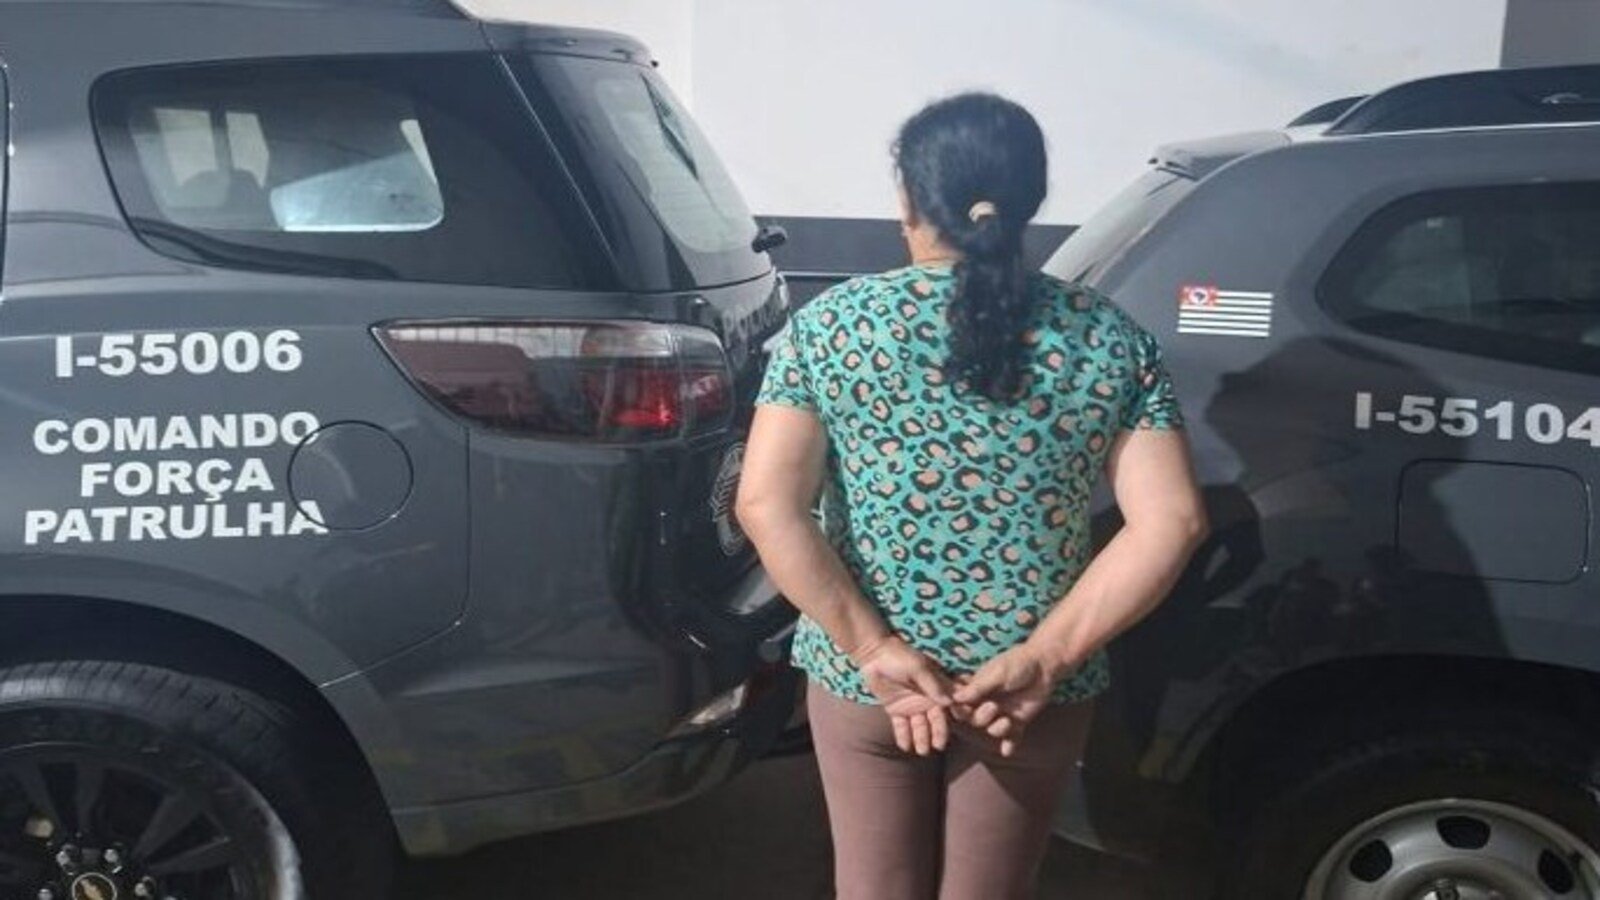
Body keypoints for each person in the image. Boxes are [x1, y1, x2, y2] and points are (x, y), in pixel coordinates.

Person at [735, 92, 1208, 900]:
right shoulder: (1110, 337)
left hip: (869, 686)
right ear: (1029, 202)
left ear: (909, 200)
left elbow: (765, 506)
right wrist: (1044, 657)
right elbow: (1173, 521)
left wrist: (875, 651)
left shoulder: (835, 327)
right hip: (1024, 695)